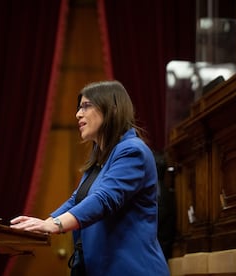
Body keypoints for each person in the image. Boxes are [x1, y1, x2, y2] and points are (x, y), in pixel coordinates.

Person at [10, 80, 170, 276]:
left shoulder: (132, 151)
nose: (78, 114)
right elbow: (77, 200)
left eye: (86, 106)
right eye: (79, 108)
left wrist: (54, 225)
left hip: (131, 268)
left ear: (112, 108)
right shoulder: (101, 157)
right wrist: (45, 223)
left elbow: (103, 199)